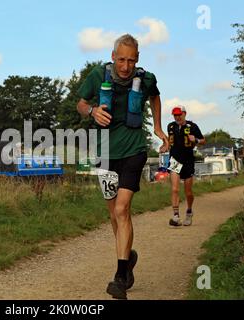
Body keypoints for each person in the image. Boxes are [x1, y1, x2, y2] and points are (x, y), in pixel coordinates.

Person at [76, 34, 169, 299]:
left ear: (137, 58)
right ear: (113, 55)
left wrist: (159, 128)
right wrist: (92, 111)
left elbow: (155, 97)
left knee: (122, 207)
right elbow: (80, 103)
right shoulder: (98, 74)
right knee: (114, 215)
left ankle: (119, 278)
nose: (126, 66)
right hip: (105, 153)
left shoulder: (145, 78)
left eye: (131, 60)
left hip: (133, 149)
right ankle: (127, 259)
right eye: (121, 60)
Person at [167, 105, 205, 227]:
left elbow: (203, 140)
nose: (177, 117)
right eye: (175, 115)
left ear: (184, 114)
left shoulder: (192, 126)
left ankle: (189, 211)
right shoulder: (170, 126)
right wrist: (165, 145)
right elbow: (170, 141)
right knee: (175, 189)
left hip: (188, 160)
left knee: (188, 192)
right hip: (175, 160)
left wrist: (196, 140)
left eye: (179, 114)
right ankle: (176, 216)